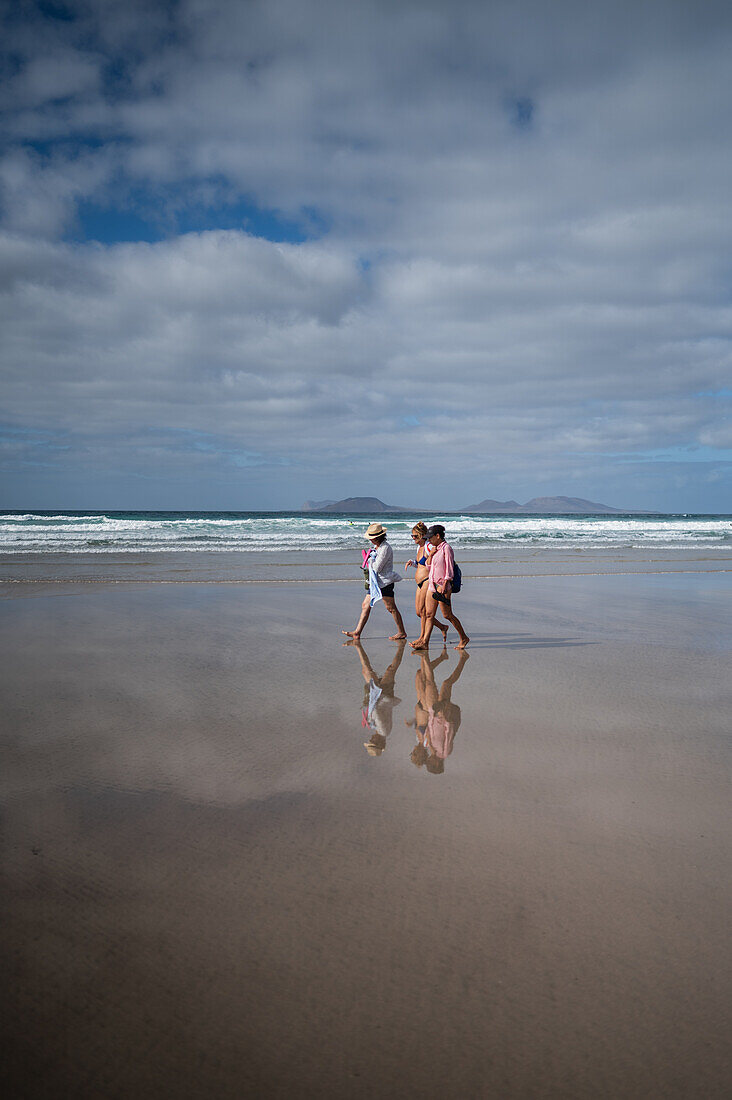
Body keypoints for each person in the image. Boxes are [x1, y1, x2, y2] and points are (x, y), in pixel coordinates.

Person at [342, 522, 407, 641]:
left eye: (372, 538)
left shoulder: (385, 548)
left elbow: (377, 567)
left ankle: (401, 632)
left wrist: (370, 559)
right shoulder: (376, 548)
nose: (371, 540)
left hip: (385, 582)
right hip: (375, 582)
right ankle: (357, 632)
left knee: (391, 608)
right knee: (365, 605)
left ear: (378, 537)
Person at [411, 524, 469, 650]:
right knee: (428, 614)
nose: (429, 540)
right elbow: (429, 567)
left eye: (431, 538)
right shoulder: (435, 548)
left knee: (447, 615)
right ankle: (425, 642)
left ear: (438, 536)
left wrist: (446, 583)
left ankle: (464, 637)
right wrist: (431, 555)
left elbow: (449, 568)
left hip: (443, 585)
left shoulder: (446, 548)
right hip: (432, 584)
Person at [347, 638, 405, 756]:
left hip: (381, 697)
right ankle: (401, 647)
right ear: (379, 742)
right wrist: (369, 716)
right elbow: (378, 712)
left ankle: (357, 646)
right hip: (382, 696)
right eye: (372, 741)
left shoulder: (381, 731)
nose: (371, 739)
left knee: (368, 671)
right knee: (390, 669)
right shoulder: (383, 730)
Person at [404, 521, 449, 646]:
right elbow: (421, 564)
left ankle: (422, 637)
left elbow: (434, 563)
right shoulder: (419, 547)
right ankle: (442, 627)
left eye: (414, 536)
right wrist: (412, 563)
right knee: (419, 612)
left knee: (424, 612)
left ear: (421, 535)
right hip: (419, 582)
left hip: (427, 581)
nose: (412, 538)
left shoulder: (429, 547)